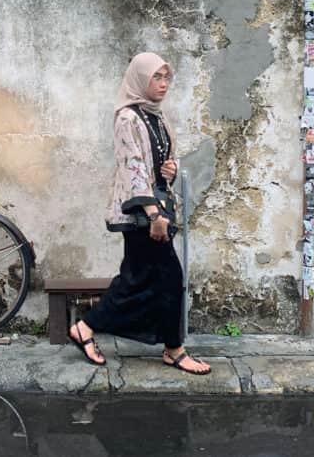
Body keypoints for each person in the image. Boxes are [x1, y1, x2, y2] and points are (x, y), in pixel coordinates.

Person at [67, 52, 211, 375]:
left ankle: (87, 327)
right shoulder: (127, 118)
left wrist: (170, 170)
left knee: (137, 279)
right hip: (140, 214)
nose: (163, 85)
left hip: (153, 208)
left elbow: (158, 163)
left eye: (165, 78)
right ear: (140, 80)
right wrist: (153, 213)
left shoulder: (157, 116)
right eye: (155, 78)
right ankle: (174, 349)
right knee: (169, 277)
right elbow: (132, 166)